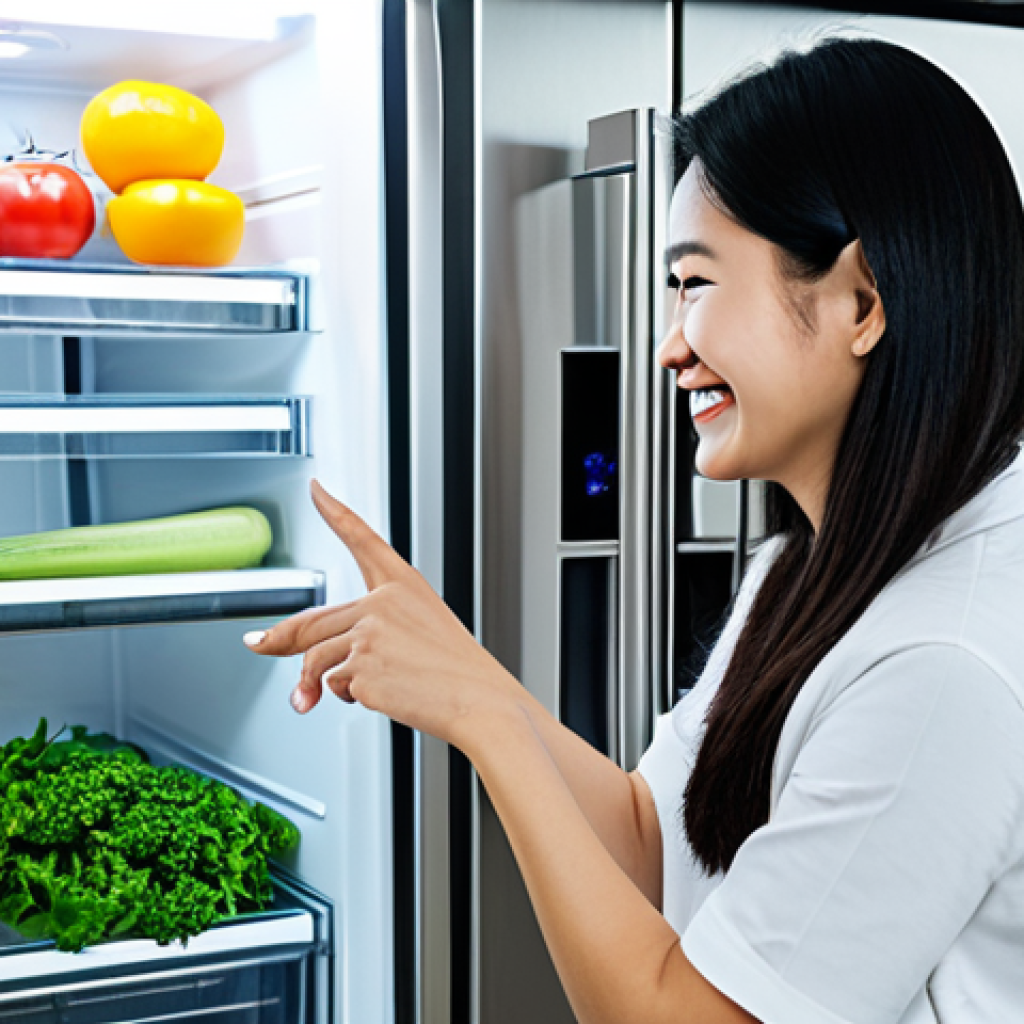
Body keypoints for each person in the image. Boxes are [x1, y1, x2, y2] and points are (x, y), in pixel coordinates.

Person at [243, 35, 1024, 1024]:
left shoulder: (943, 665)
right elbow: (658, 843)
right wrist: (466, 674)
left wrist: (490, 728)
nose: (666, 347)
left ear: (859, 300)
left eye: (694, 284)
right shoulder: (806, 563)